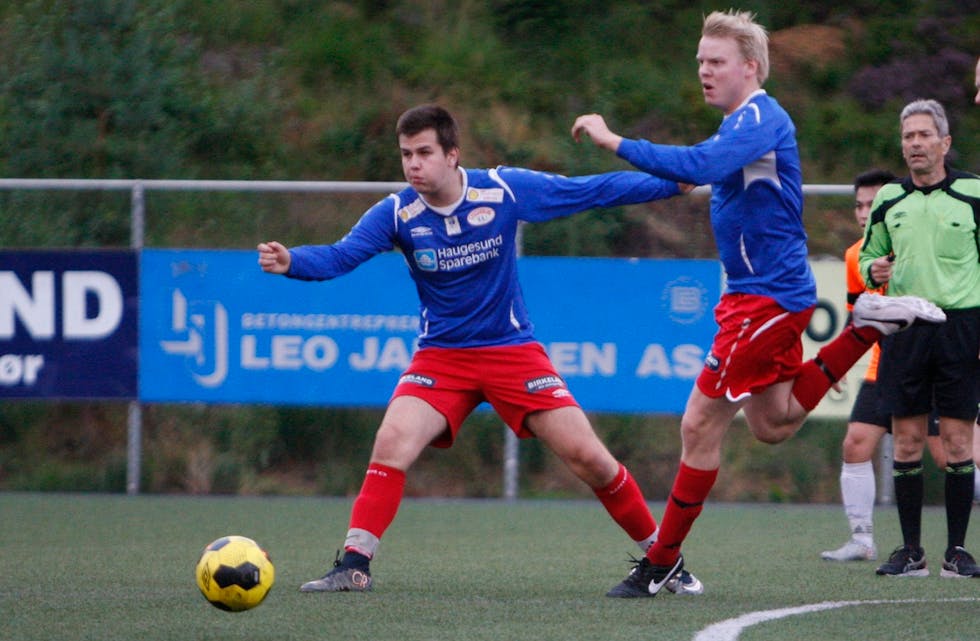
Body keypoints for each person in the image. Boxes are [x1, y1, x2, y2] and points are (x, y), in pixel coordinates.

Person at [570, 9, 945, 598]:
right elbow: (685, 176)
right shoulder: (736, 127)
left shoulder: (761, 118)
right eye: (700, 61)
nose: (704, 71)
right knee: (773, 422)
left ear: (749, 67)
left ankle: (661, 563)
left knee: (699, 423)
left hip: (766, 300)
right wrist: (588, 190)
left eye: (716, 61)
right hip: (758, 296)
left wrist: (614, 139)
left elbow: (698, 167)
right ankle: (866, 327)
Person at [258, 104, 704, 595]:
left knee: (590, 459)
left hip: (511, 351)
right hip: (441, 357)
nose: (413, 165)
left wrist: (669, 184)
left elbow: (590, 191)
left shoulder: (503, 189)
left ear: (453, 155)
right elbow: (341, 255)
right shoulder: (396, 213)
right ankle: (354, 565)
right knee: (392, 441)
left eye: (424, 152)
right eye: (406, 154)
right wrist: (293, 261)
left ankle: (665, 560)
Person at [860, 99, 980, 578]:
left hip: (962, 327)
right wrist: (873, 268)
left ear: (944, 143)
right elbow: (869, 257)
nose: (915, 143)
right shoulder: (889, 199)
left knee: (957, 442)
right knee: (907, 441)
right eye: (908, 135)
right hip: (906, 327)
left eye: (924, 134)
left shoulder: (973, 192)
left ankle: (957, 552)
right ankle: (911, 551)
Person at [820, 169, 947, 563]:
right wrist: (838, 364)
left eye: (872, 204)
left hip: (932, 364)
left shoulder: (925, 245)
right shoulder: (855, 256)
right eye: (859, 205)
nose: (864, 213)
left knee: (949, 456)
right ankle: (862, 540)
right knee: (856, 443)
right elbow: (857, 315)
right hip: (885, 365)